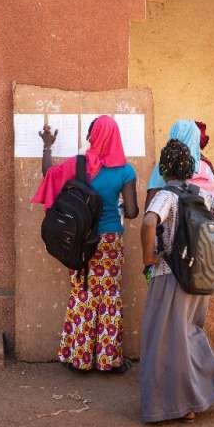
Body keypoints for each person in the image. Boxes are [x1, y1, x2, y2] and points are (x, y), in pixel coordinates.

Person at [139, 138, 214, 424]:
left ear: (164, 168)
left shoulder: (166, 195)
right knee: (189, 334)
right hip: (200, 275)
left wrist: (148, 258)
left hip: (170, 276)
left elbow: (149, 222)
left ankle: (181, 407)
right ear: (190, 167)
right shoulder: (202, 194)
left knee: (163, 341)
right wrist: (213, 247)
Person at [32, 115, 139, 373]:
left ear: (92, 136)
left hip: (82, 239)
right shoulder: (126, 170)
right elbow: (134, 211)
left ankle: (79, 358)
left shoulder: (80, 165)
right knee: (109, 294)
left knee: (83, 292)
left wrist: (47, 145)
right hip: (111, 238)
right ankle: (107, 359)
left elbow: (48, 173)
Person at [145, 119, 214, 208]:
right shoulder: (205, 166)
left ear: (173, 135)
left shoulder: (165, 163)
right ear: (195, 139)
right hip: (205, 217)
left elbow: (150, 204)